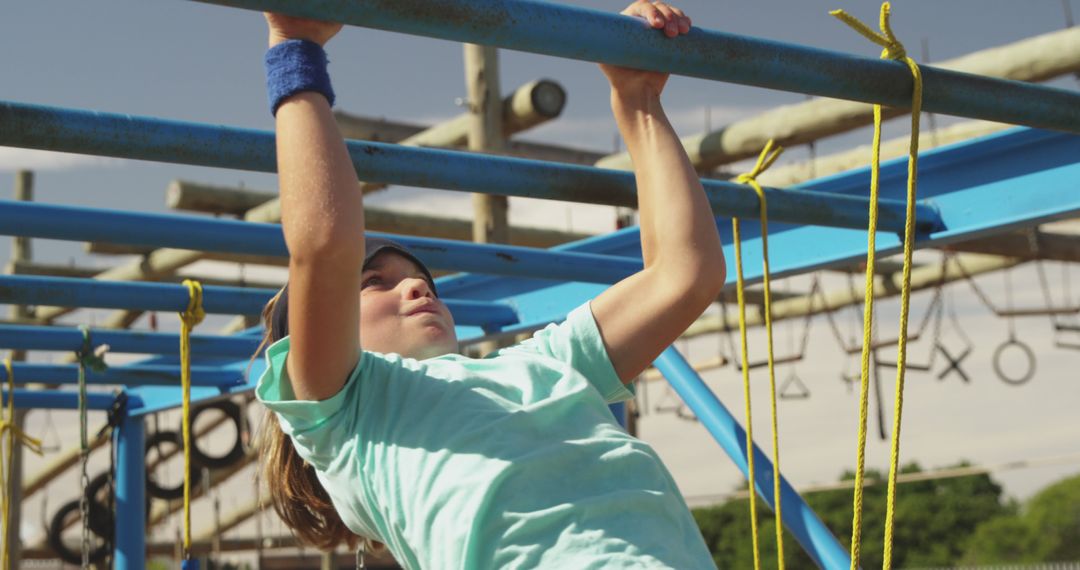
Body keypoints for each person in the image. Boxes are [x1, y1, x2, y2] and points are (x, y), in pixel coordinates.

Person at [254, 1, 724, 567]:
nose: (417, 289)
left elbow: (684, 273)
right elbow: (326, 247)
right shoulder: (351, 414)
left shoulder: (545, 365)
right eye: (375, 282)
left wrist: (638, 99)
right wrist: (294, 47)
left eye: (422, 281)